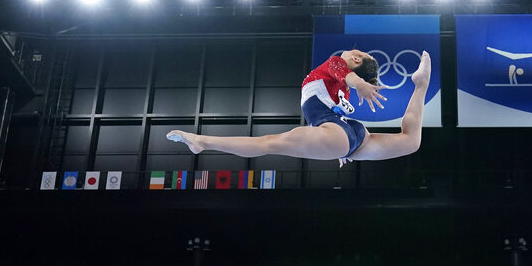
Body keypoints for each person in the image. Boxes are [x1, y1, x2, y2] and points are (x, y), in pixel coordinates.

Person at [168, 50, 432, 166]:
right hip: (351, 135)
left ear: (354, 58)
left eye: (356, 51)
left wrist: (360, 84)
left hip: (337, 134)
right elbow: (344, 81)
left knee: (269, 143)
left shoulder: (335, 64)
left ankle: (202, 141)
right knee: (410, 141)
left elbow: (345, 73)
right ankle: (421, 86)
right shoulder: (339, 84)